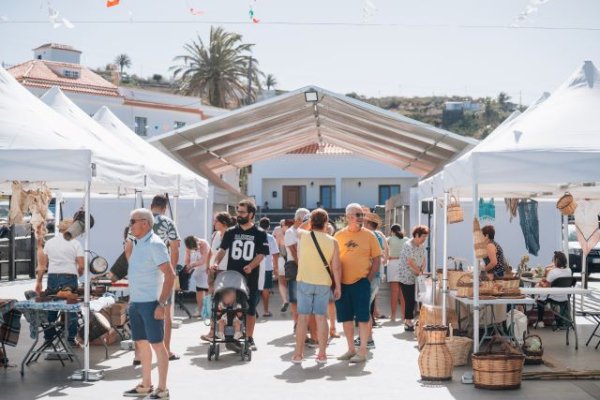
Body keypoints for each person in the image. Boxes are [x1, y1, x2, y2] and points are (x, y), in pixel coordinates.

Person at [123, 208, 175, 400]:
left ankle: (162, 389)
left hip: (151, 303)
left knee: (158, 346)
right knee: (142, 344)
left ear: (145, 223)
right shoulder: (139, 243)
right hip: (137, 302)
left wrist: (161, 304)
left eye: (132, 221)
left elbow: (170, 275)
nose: (130, 225)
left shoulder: (155, 244)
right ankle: (146, 384)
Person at [211, 199, 269, 351]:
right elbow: (222, 250)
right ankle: (231, 335)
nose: (239, 215)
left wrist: (251, 265)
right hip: (233, 276)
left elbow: (262, 254)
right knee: (230, 306)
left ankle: (249, 337)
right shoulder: (231, 231)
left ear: (251, 214)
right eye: (238, 211)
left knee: (250, 308)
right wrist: (216, 262)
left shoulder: (260, 233)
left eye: (242, 212)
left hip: (251, 276)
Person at [292, 208, 341, 364]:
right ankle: (322, 354)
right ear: (326, 223)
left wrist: (309, 220)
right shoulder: (333, 241)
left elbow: (298, 228)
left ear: (312, 222)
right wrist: (338, 286)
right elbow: (336, 267)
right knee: (321, 318)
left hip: (305, 281)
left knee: (302, 318)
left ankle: (298, 354)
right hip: (323, 283)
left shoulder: (305, 235)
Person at [334, 203, 381, 363]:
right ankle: (350, 349)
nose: (362, 218)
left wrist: (367, 280)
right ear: (348, 217)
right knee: (346, 317)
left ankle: (362, 351)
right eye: (358, 214)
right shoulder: (338, 236)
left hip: (361, 282)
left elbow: (376, 260)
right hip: (342, 283)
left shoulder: (370, 235)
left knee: (363, 317)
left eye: (362, 215)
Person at [35, 218, 83, 347]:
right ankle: (70, 339)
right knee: (70, 308)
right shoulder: (75, 243)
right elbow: (82, 265)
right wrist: (79, 273)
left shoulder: (50, 243)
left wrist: (38, 282)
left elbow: (42, 266)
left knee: (52, 307)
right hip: (69, 276)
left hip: (53, 277)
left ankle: (48, 338)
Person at [150, 194, 181, 361]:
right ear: (165, 208)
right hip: (162, 269)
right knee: (166, 310)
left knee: (141, 310)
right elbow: (175, 248)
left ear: (151, 205)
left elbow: (128, 248)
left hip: (143, 271)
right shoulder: (167, 222)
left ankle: (139, 354)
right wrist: (172, 269)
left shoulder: (139, 219)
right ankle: (166, 350)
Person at [201, 212, 233, 342]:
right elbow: (210, 251)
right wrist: (207, 266)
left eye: (216, 221)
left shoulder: (231, 235)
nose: (214, 223)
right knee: (213, 301)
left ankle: (221, 330)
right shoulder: (215, 235)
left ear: (224, 223)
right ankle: (212, 331)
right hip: (214, 271)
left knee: (223, 302)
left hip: (225, 271)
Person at [358, 212, 388, 349]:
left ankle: (368, 339)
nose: (361, 222)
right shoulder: (378, 235)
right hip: (374, 276)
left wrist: (367, 278)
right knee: (367, 309)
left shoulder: (371, 236)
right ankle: (366, 337)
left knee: (364, 310)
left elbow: (372, 258)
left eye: (363, 220)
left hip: (370, 276)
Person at [398, 225, 429, 332]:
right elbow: (410, 262)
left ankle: (415, 320)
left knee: (418, 299)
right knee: (409, 299)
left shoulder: (421, 245)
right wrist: (419, 272)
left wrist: (421, 271)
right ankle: (408, 321)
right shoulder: (408, 245)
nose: (424, 239)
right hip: (406, 276)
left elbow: (424, 259)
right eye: (423, 236)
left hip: (417, 275)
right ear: (416, 235)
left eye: (426, 236)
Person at [284, 208, 310, 330]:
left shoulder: (306, 232)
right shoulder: (290, 232)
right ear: (299, 219)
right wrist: (301, 266)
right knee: (294, 298)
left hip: (305, 265)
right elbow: (294, 252)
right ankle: (296, 322)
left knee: (306, 296)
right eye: (305, 220)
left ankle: (305, 322)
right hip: (295, 265)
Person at [536, 251, 572, 328]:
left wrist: (541, 282)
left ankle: (540, 321)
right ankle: (557, 320)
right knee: (543, 294)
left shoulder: (553, 272)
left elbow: (547, 287)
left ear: (555, 261)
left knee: (539, 297)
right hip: (565, 297)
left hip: (553, 297)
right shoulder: (569, 271)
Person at [183, 236, 210, 319]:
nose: (194, 250)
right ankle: (200, 309)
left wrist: (192, 265)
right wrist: (187, 266)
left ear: (198, 242)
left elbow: (204, 260)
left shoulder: (204, 244)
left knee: (208, 290)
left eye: (195, 248)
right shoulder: (188, 247)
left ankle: (208, 310)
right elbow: (187, 259)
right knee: (199, 290)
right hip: (198, 271)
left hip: (206, 268)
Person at [258, 217, 279, 317]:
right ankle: (266, 311)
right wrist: (276, 269)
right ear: (269, 226)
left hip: (255, 265)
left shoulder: (255, 236)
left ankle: (253, 310)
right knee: (266, 289)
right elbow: (275, 254)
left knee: (254, 288)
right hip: (267, 267)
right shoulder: (270, 238)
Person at [387, 224, 409, 322]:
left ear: (392, 231)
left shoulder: (389, 239)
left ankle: (393, 315)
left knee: (394, 293)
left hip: (393, 264)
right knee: (403, 294)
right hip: (404, 265)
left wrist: (390, 257)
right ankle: (404, 316)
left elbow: (385, 252)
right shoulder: (407, 240)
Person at [273, 219, 292, 312]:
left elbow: (275, 250)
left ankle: (285, 300)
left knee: (282, 281)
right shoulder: (294, 233)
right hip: (292, 259)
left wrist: (274, 265)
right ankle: (293, 301)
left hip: (281, 259)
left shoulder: (278, 233)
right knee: (293, 281)